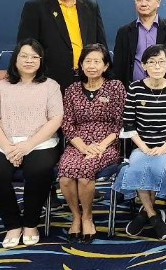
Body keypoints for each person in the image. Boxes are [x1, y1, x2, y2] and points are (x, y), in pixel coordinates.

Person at [0, 39, 63, 248]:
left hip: (41, 143)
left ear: (41, 61)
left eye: (34, 57)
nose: (29, 60)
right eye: (24, 56)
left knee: (39, 171)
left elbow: (56, 119)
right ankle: (12, 224)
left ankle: (30, 223)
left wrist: (27, 146)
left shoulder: (50, 86)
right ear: (15, 59)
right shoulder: (0, 86)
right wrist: (9, 148)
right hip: (5, 143)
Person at [112, 44, 166, 240]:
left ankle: (145, 212)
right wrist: (143, 147)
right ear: (144, 66)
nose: (157, 66)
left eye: (161, 62)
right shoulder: (135, 88)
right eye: (152, 62)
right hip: (141, 145)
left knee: (158, 167)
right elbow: (129, 123)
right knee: (137, 166)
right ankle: (153, 214)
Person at [58, 43, 125, 244]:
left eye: (97, 61)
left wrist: (102, 146)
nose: (92, 66)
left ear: (105, 66)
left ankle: (87, 216)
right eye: (87, 61)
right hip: (78, 142)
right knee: (66, 174)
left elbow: (121, 122)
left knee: (85, 172)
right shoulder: (72, 90)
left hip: (108, 142)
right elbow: (67, 123)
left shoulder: (115, 87)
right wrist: (81, 146)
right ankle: (76, 216)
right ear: (81, 65)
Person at [17, 0, 107, 90]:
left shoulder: (90, 6)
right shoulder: (36, 7)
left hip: (87, 78)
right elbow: (25, 46)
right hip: (50, 80)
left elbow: (101, 43)